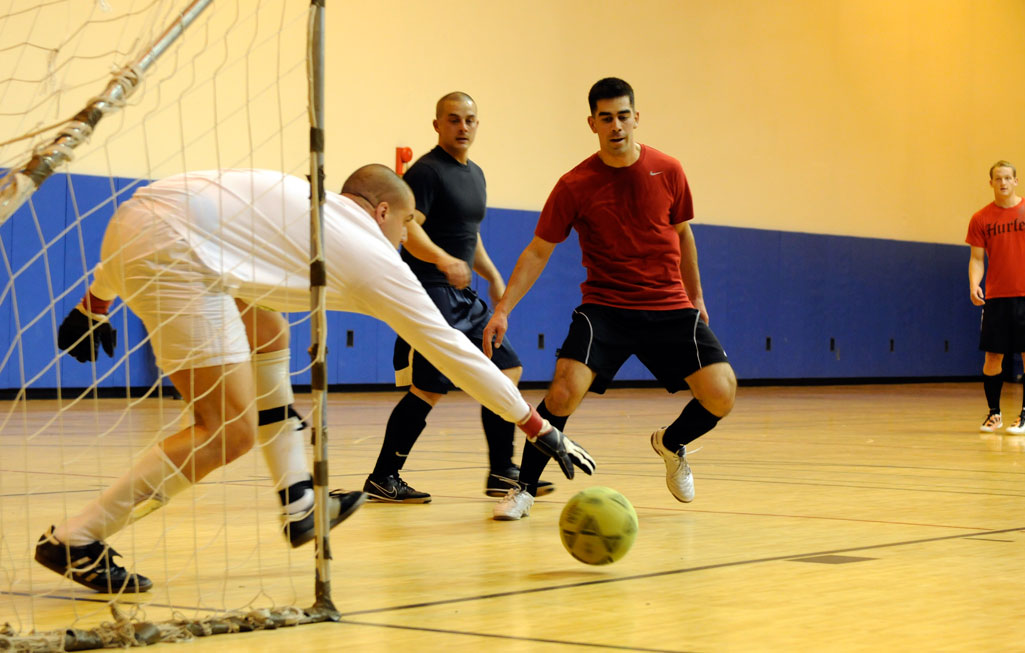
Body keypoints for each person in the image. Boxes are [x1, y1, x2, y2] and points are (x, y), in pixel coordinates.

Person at [42, 165, 595, 593]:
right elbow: (453, 351)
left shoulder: (309, 204)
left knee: (269, 332)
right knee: (227, 432)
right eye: (406, 225)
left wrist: (96, 302)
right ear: (382, 211)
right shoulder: (370, 252)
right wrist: (534, 422)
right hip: (176, 254)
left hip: (139, 222)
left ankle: (300, 502)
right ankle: (79, 537)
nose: (406, 237)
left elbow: (169, 210)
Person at [481, 77, 737, 521]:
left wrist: (696, 295)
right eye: (606, 118)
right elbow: (539, 249)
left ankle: (671, 442)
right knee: (561, 393)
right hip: (606, 308)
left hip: (670, 305)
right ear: (592, 123)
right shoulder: (575, 184)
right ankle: (523, 490)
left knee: (722, 393)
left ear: (636, 117)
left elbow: (683, 234)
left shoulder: (668, 169)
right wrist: (503, 308)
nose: (616, 125)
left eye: (623, 115)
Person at [362, 92, 552, 503]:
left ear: (477, 125)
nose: (462, 127)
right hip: (432, 295)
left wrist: (493, 275)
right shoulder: (426, 173)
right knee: (428, 389)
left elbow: (470, 235)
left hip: (464, 297)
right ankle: (383, 476)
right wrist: (444, 260)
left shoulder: (476, 174)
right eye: (453, 120)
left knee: (507, 370)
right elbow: (409, 231)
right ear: (437, 125)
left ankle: (502, 471)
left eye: (469, 120)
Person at [966, 160, 1025, 436]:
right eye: (997, 178)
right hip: (996, 297)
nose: (1003, 183)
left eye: (1007, 178)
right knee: (993, 357)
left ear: (1016, 181)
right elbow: (977, 258)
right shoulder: (981, 218)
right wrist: (974, 284)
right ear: (990, 183)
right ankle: (994, 414)